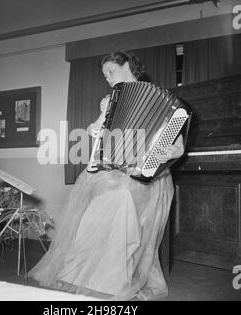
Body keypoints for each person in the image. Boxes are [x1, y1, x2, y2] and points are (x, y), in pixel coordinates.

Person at [28, 51, 185, 300]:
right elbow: (96, 132)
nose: (108, 79)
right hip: (114, 171)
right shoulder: (111, 100)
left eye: (111, 71)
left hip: (149, 176)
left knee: (120, 198)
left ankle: (112, 280)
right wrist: (98, 125)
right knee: (103, 199)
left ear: (128, 67)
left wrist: (160, 154)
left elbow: (178, 148)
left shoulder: (164, 102)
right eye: (104, 75)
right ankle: (81, 274)